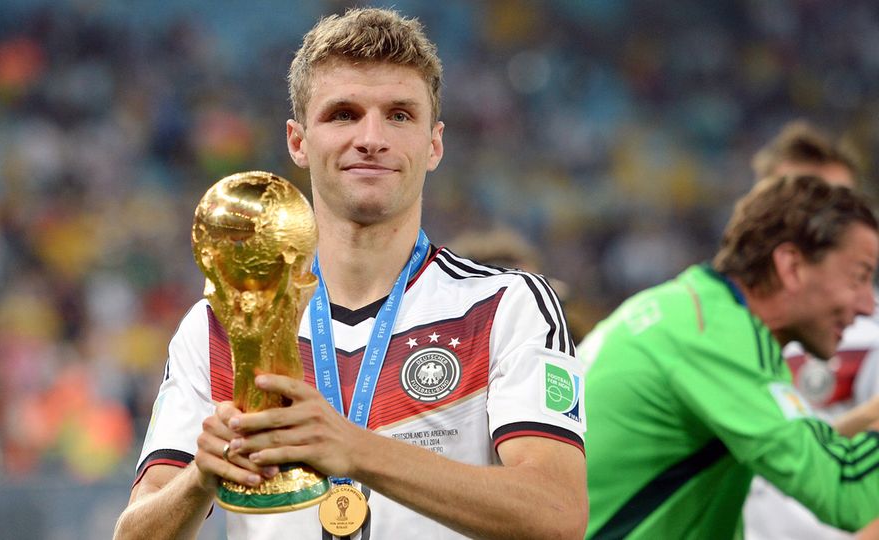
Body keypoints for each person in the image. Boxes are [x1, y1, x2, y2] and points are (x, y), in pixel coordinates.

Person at [113, 8, 587, 540]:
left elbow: (559, 515)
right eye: (343, 114)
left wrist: (355, 449)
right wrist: (200, 477)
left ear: (434, 144)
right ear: (297, 141)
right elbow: (134, 533)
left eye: (400, 115)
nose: (371, 138)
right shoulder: (222, 325)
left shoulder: (506, 305)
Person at [579, 174, 879, 539]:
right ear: (791, 266)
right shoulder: (716, 340)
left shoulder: (690, 309)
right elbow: (847, 491)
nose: (867, 304)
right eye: (858, 277)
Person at [743, 121, 879, 539]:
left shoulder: (869, 332)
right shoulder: (711, 326)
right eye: (792, 195)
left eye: (834, 203)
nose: (809, 219)